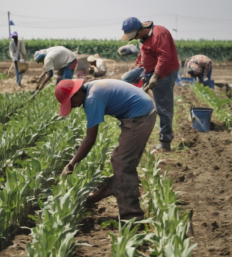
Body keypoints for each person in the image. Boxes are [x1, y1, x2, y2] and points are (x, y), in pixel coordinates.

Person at [55, 79, 156, 222]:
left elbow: (90, 139)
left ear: (77, 93)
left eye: (70, 102)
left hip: (140, 116)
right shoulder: (91, 88)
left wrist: (71, 164)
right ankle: (108, 188)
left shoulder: (92, 98)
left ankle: (131, 217)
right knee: (123, 163)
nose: (72, 107)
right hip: (142, 113)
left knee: (122, 162)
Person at [121, 17, 180, 151]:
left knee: (163, 108)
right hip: (148, 70)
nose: (134, 39)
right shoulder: (145, 36)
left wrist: (156, 76)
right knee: (125, 79)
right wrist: (140, 63)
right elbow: (146, 51)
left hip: (164, 72)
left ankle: (165, 142)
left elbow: (165, 57)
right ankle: (132, 110)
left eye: (133, 36)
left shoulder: (159, 34)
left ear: (139, 30)